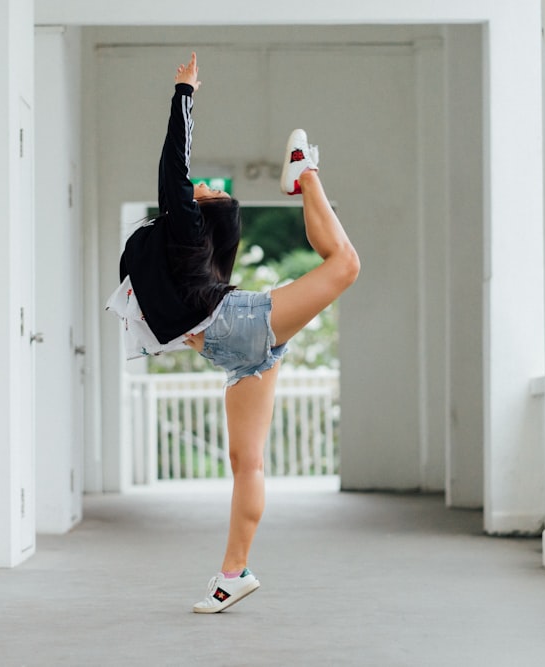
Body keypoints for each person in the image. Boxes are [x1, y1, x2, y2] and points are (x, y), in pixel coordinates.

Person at [105, 53, 360, 613]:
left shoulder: (187, 236)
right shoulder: (186, 244)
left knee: (249, 464)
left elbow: (175, 167)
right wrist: (182, 93)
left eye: (209, 192)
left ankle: (232, 574)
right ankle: (306, 175)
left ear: (208, 213)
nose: (199, 186)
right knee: (343, 265)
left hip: (232, 344)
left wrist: (184, 95)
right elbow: (175, 172)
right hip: (239, 330)